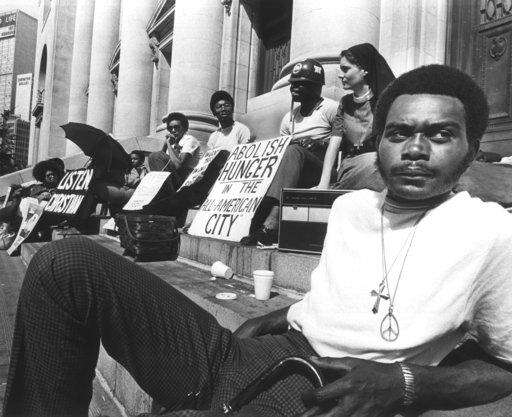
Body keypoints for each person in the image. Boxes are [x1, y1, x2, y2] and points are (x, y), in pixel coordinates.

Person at [5, 65, 512, 417]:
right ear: (378, 143)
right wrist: (274, 317)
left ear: (470, 149)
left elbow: (505, 367)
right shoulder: (349, 208)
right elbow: (339, 299)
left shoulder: (489, 232)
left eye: (440, 135)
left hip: (329, 391)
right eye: (399, 133)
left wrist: (404, 383)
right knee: (64, 263)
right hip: (259, 353)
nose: (416, 149)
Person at [241, 59, 338, 245]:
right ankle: (253, 223)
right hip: (295, 167)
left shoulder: (331, 108)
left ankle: (271, 225)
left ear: (316, 87)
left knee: (294, 151)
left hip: (321, 170)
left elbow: (344, 143)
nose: (294, 88)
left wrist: (319, 144)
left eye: (301, 84)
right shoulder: (288, 118)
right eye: (293, 84)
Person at [320, 43, 395, 190]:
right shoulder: (345, 103)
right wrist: (323, 183)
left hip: (380, 162)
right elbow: (334, 144)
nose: (340, 75)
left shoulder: (385, 102)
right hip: (352, 165)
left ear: (364, 70)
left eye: (345, 69)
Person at [148, 112, 202, 189]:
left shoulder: (189, 139)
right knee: (153, 156)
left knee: (156, 156)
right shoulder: (173, 141)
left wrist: (168, 144)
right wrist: (165, 145)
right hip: (175, 177)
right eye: (170, 128)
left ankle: (164, 190)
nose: (173, 130)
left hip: (187, 178)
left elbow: (178, 165)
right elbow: (161, 161)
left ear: (184, 128)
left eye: (176, 127)